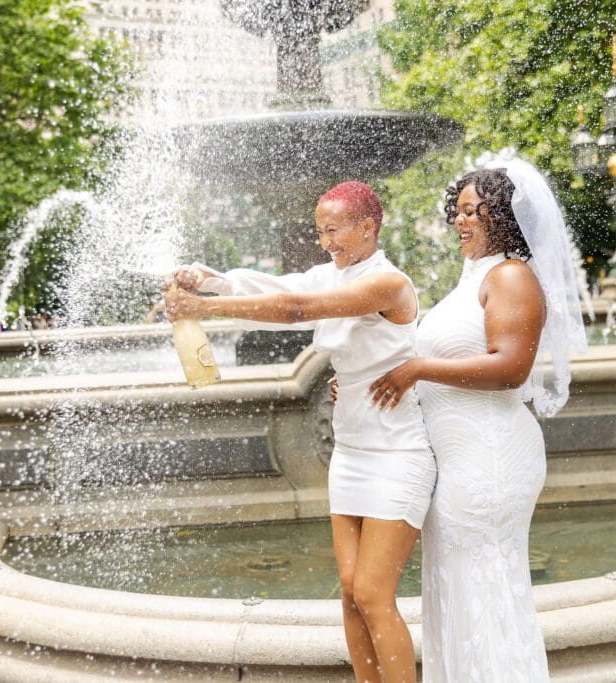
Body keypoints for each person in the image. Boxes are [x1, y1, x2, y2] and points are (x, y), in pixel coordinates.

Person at [164, 181, 436, 683]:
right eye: (319, 231)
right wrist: (213, 279)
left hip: (399, 450)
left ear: (367, 227)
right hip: (352, 451)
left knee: (375, 594)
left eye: (333, 230)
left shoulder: (389, 284)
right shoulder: (332, 273)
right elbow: (283, 288)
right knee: (351, 594)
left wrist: (206, 308)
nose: (325, 241)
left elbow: (298, 310)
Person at [368, 156, 587, 682]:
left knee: (484, 589)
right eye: (458, 211)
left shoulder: (512, 276)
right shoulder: (472, 281)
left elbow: (510, 368)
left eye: (474, 211)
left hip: (491, 456)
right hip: (459, 457)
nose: (460, 222)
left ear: (504, 217)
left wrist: (417, 368)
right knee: (457, 591)